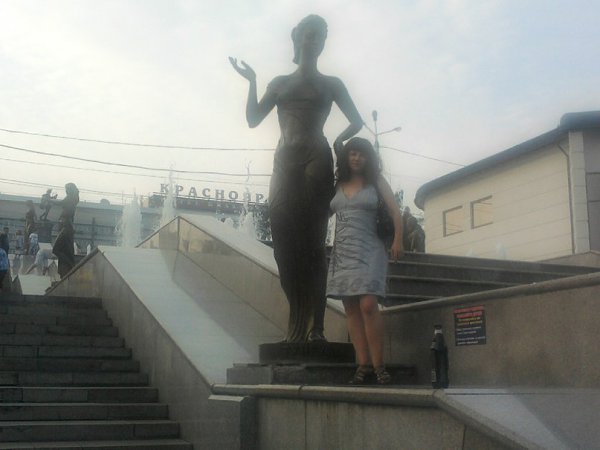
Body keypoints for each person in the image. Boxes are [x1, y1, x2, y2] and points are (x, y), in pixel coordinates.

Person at [230, 15, 363, 342]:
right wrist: (252, 82)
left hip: (316, 159)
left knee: (314, 245)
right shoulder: (279, 83)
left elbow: (356, 121)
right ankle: (297, 321)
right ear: (298, 37)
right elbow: (252, 119)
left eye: (320, 36)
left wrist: (339, 142)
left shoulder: (332, 84)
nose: (315, 40)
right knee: (284, 249)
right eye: (310, 34)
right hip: (284, 163)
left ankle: (316, 328)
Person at [326, 137, 403, 385]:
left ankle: (379, 366)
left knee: (368, 304)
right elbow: (321, 212)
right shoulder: (337, 184)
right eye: (352, 153)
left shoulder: (376, 181)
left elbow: (395, 211)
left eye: (361, 154)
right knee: (350, 308)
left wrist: (398, 240)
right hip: (343, 251)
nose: (357, 158)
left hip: (371, 248)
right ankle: (363, 365)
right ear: (346, 157)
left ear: (368, 158)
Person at [52, 183, 79, 278]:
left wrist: (49, 200)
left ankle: (70, 265)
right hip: (66, 226)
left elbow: (59, 203)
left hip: (66, 227)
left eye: (67, 189)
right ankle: (67, 268)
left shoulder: (70, 198)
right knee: (65, 249)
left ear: (71, 190)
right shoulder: (72, 199)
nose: (66, 191)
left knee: (56, 249)